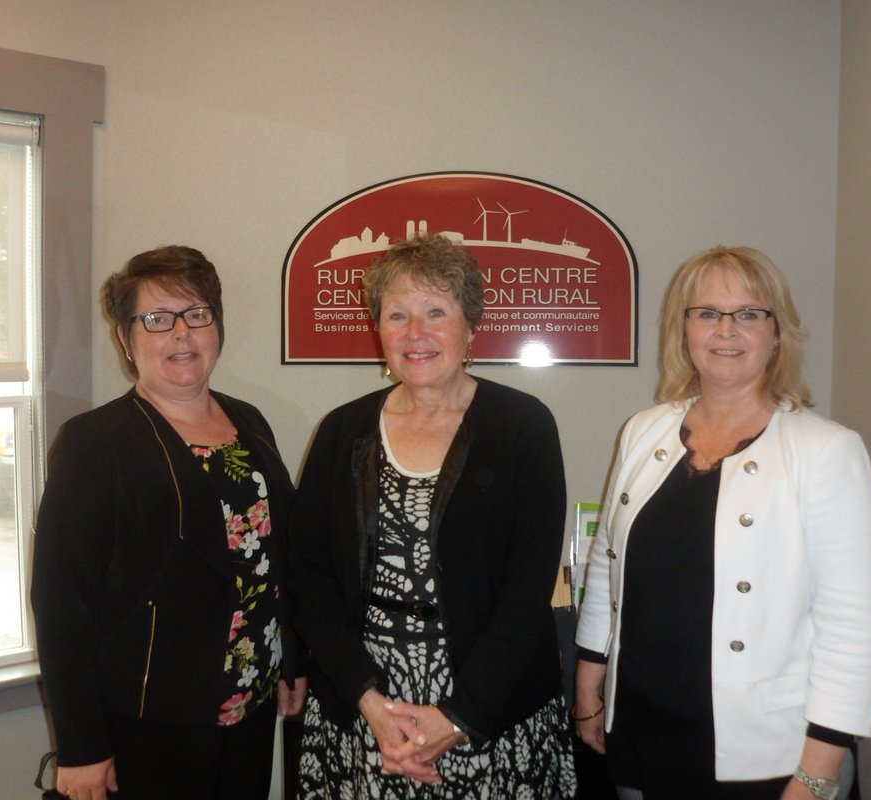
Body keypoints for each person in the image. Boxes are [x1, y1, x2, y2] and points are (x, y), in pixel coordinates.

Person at [573, 246, 871, 800]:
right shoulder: (643, 431)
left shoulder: (826, 451)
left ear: (777, 333)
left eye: (748, 313)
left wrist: (817, 774)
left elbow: (852, 630)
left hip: (766, 752)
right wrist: (589, 687)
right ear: (684, 329)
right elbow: (607, 565)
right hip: (642, 728)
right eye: (707, 313)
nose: (727, 330)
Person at [289, 234, 577, 798]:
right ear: (379, 331)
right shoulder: (341, 430)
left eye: (435, 312)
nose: (414, 332)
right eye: (397, 315)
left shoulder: (524, 426)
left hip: (490, 713)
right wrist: (368, 700)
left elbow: (528, 586)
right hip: (365, 711)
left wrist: (460, 716)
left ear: (471, 326)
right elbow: (308, 573)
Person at [31, 245, 306, 800]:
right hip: (150, 717)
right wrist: (81, 745)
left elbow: (282, 554)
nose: (181, 334)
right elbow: (62, 602)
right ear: (126, 338)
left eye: (197, 314)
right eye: (156, 320)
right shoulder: (94, 443)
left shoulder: (249, 421)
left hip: (248, 703)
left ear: (217, 327)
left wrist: (293, 656)